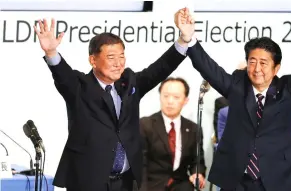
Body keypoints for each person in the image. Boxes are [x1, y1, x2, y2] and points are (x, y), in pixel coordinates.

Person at [174, 8, 291, 191]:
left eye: (263, 63)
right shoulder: (237, 85)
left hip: (278, 178)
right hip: (237, 178)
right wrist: (189, 39)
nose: (256, 69)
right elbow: (209, 68)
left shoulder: (288, 88)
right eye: (252, 62)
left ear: (276, 68)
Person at [33, 15, 187, 191]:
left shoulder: (129, 82)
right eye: (111, 57)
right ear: (93, 60)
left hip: (126, 182)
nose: (118, 64)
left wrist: (183, 41)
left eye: (121, 56)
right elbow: (63, 75)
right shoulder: (79, 87)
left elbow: (160, 68)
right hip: (88, 182)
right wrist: (51, 53)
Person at [139, 77, 206, 191]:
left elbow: (197, 161)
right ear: (160, 97)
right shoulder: (145, 125)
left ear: (185, 100)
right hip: (152, 185)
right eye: (165, 96)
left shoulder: (194, 128)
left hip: (182, 186)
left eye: (176, 97)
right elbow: (141, 164)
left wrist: (197, 174)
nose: (170, 101)